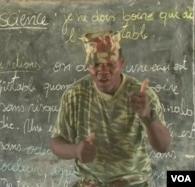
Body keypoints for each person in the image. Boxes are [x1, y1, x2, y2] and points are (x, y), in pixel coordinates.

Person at [49, 30, 171, 187]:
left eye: (110, 64)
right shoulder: (75, 94)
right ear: (87, 65)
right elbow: (56, 142)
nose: (103, 70)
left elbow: (163, 146)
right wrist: (76, 150)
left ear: (121, 62)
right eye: (96, 64)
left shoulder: (141, 94)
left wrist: (147, 116)